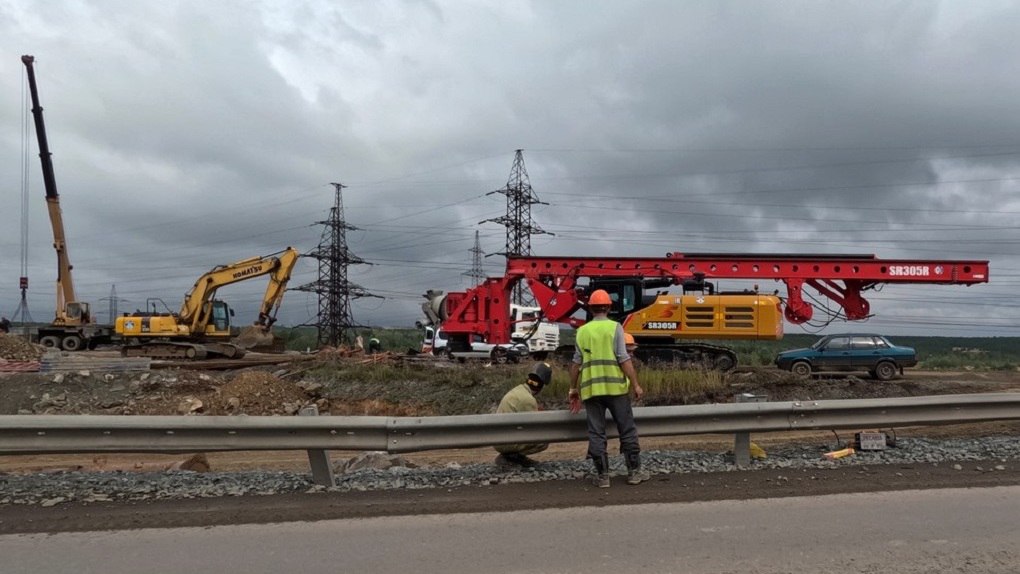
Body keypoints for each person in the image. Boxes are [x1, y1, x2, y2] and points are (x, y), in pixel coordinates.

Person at [569, 289, 648, 488]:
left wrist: (573, 389)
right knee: (627, 429)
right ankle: (634, 473)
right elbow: (624, 358)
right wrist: (636, 384)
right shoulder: (615, 328)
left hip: (592, 391)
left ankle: (603, 477)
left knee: (596, 432)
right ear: (609, 307)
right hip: (616, 390)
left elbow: (576, 364)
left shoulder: (582, 331)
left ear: (590, 308)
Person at [493, 361, 553, 468]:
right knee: (543, 440)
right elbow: (534, 427)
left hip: (499, 438)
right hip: (504, 442)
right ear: (542, 385)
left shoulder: (519, 390)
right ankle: (512, 457)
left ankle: (512, 455)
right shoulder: (528, 399)